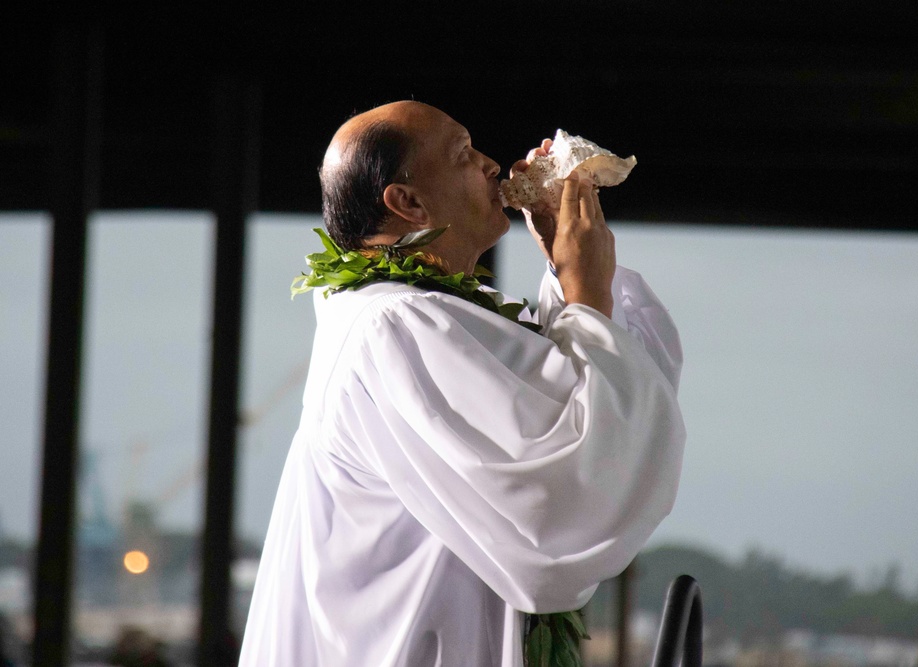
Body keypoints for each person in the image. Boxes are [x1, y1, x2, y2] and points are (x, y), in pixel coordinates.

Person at [239, 101, 686, 666]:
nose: (492, 164)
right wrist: (585, 289)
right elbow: (565, 493)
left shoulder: (419, 317)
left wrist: (566, 271)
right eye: (462, 153)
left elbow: (607, 408)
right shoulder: (396, 323)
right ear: (407, 201)